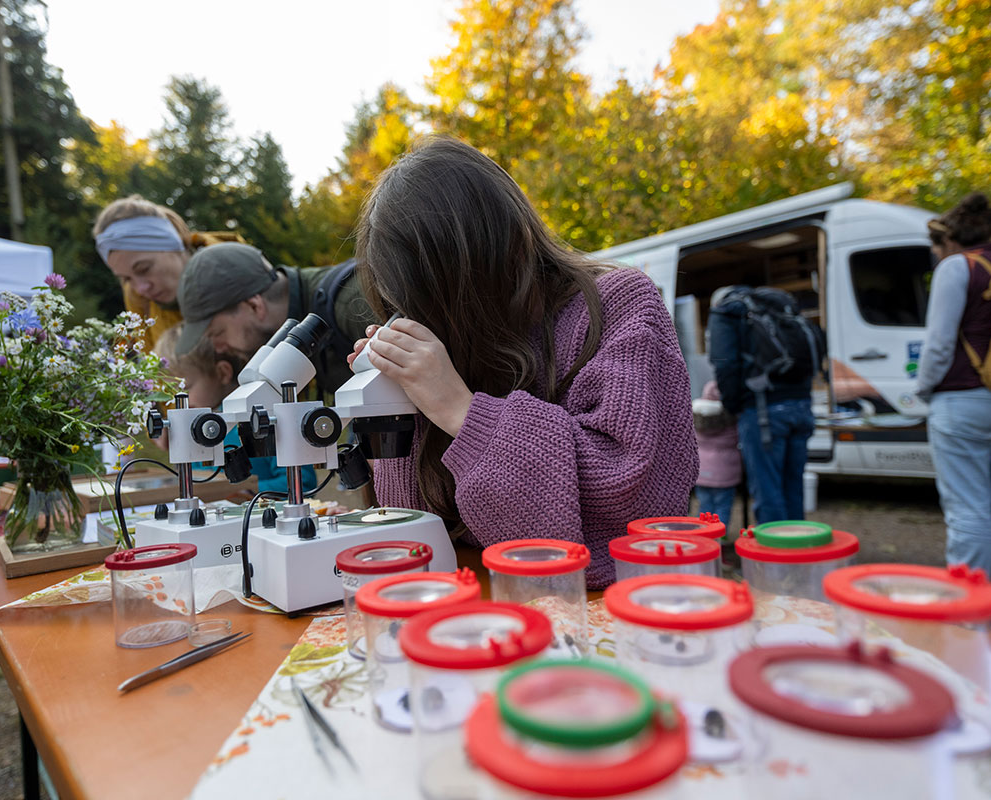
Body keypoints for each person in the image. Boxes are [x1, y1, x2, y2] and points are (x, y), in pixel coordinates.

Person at [347, 137, 697, 590]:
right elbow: (415, 539)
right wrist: (397, 409)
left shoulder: (618, 306)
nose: (415, 320)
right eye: (400, 306)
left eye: (422, 303)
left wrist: (461, 410)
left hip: (615, 613)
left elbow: (631, 500)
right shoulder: (457, 345)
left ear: (473, 268)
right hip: (484, 607)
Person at [915, 192, 991, 631]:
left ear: (951, 240)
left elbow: (939, 344)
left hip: (961, 402)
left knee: (969, 510)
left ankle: (968, 612)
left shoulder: (958, 268)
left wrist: (922, 390)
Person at [174, 243, 377, 395]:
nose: (218, 348)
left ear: (255, 306)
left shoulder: (354, 303)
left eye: (218, 333)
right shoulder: (309, 314)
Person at [152, 324, 316, 495]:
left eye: (186, 388)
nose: (178, 401)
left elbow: (304, 483)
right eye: (171, 394)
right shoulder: (191, 428)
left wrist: (243, 492)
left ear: (223, 373)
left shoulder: (264, 415)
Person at [707, 286, 816, 524]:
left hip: (763, 410)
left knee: (767, 488)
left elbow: (724, 365)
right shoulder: (776, 308)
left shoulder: (726, 313)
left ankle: (775, 556)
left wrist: (734, 405)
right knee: (792, 484)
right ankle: (799, 550)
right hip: (802, 405)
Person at [92, 195, 241, 351]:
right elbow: (153, 369)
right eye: (126, 279)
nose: (141, 288)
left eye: (144, 269)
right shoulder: (139, 300)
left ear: (174, 245)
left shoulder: (239, 268)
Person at [693, 380, 741, 533]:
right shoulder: (731, 417)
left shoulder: (696, 416)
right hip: (725, 472)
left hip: (702, 471)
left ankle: (702, 534)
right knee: (723, 506)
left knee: (704, 506)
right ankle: (719, 537)